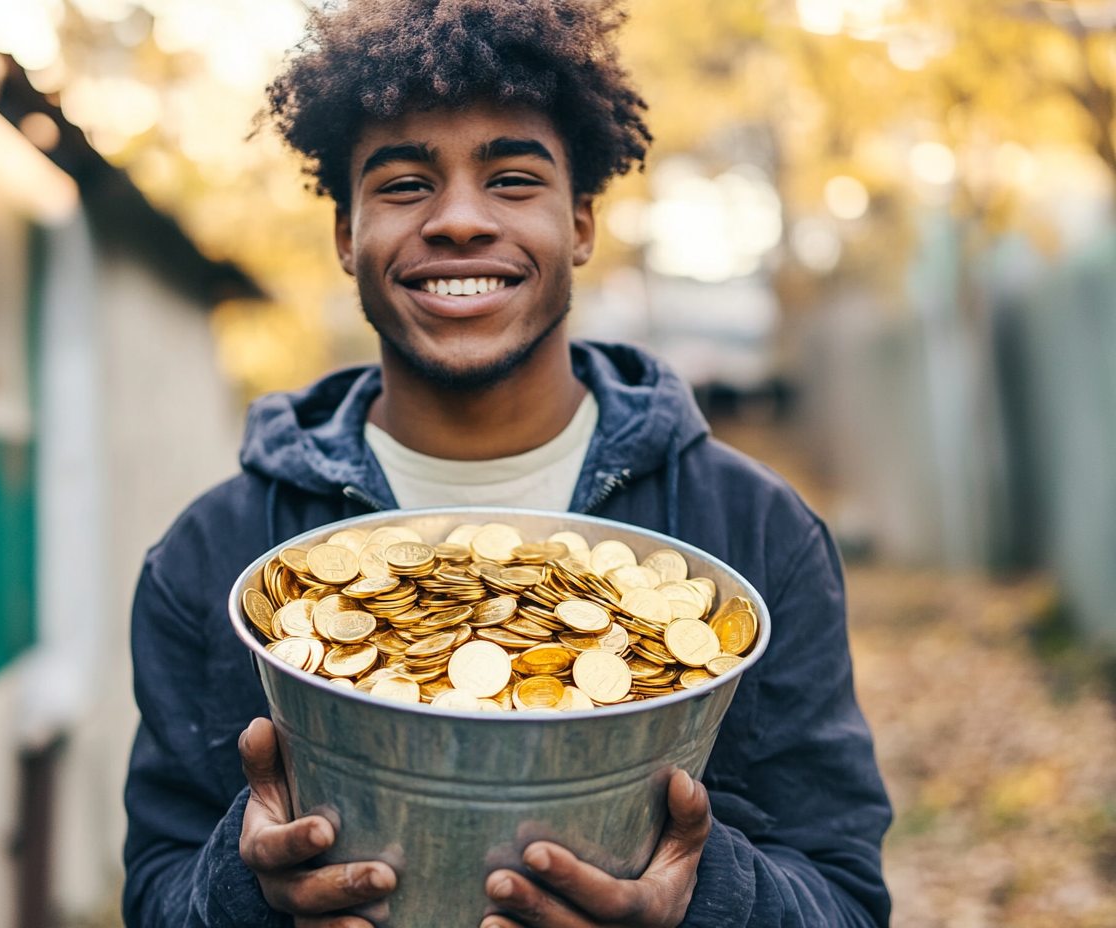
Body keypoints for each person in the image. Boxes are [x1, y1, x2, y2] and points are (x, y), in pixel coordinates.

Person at [122, 1, 893, 926]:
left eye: (513, 179)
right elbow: (156, 893)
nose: (457, 220)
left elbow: (846, 897)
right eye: (404, 183)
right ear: (344, 235)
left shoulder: (754, 533)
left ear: (580, 225)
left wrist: (702, 897)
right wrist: (245, 888)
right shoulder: (212, 557)